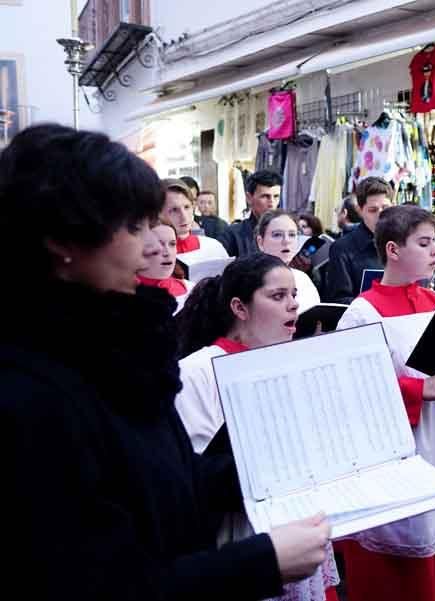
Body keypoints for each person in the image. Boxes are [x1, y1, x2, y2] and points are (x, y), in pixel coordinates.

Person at [0, 124, 331, 600]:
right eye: (132, 227)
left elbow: (168, 480)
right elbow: (93, 581)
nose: (152, 247)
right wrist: (262, 561)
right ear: (62, 241)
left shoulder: (123, 350)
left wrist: (274, 460)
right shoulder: (29, 390)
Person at [336, 205, 435, 601]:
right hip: (398, 450)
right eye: (425, 242)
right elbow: (346, 390)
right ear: (393, 249)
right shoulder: (361, 313)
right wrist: (415, 390)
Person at [175, 253, 340, 601]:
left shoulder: (291, 361)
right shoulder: (199, 371)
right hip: (242, 539)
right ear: (240, 307)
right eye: (278, 296)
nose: (293, 306)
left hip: (297, 524)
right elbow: (195, 475)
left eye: (294, 295)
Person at [325, 177, 391, 304]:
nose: (381, 215)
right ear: (360, 211)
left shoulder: (403, 242)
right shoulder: (342, 248)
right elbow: (339, 301)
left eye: (386, 208)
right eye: (373, 210)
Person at [256, 209, 320, 314]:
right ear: (260, 242)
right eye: (277, 235)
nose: (286, 241)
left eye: (292, 235)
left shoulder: (303, 279)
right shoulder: (249, 279)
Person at [160, 178, 229, 260]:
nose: (184, 216)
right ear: (159, 213)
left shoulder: (214, 248)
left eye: (187, 207)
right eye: (174, 210)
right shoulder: (150, 255)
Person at [221, 170, 283, 257]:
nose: (272, 202)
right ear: (249, 198)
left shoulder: (287, 233)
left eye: (276, 196)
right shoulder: (232, 235)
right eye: (265, 196)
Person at [137, 221, 195, 313]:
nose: (167, 252)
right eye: (158, 244)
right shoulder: (119, 298)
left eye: (172, 244)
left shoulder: (193, 291)